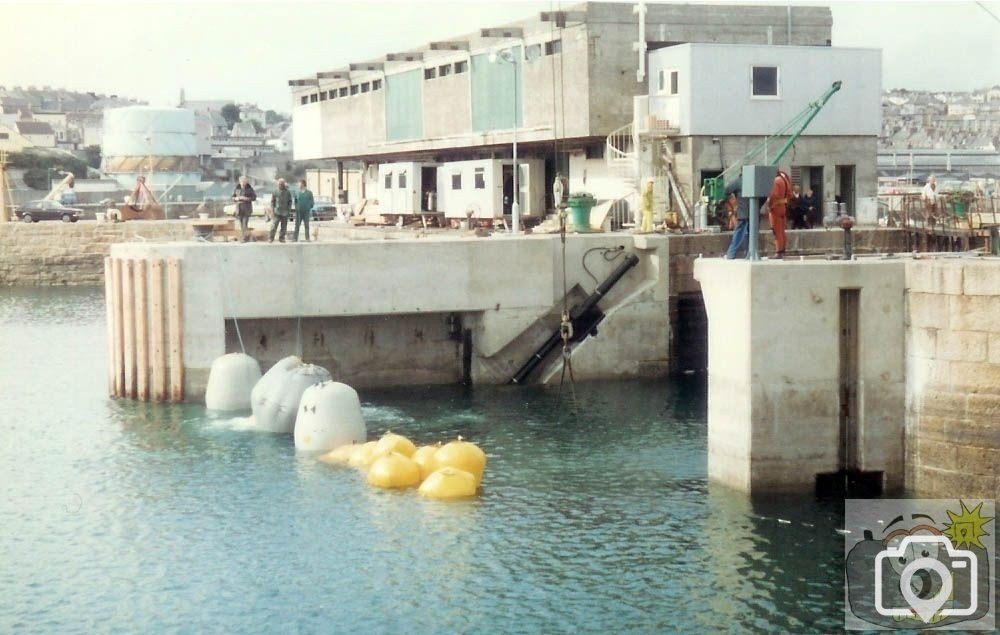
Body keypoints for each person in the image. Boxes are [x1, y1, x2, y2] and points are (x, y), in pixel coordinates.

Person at [764, 168, 792, 259]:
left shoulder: (776, 181)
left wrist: (768, 206)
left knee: (776, 230)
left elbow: (773, 195)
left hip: (775, 207)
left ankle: (779, 251)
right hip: (783, 206)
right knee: (782, 230)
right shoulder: (785, 180)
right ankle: (782, 250)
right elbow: (789, 195)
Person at [724, 178, 750, 259]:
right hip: (754, 213)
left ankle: (731, 254)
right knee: (751, 235)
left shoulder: (738, 181)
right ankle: (749, 254)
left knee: (739, 233)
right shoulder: (756, 180)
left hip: (743, 212)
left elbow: (726, 191)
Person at [232, 175, 257, 242]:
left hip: (247, 209)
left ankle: (244, 238)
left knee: (244, 224)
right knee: (241, 224)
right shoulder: (237, 189)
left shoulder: (250, 189)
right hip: (239, 209)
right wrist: (236, 198)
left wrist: (246, 198)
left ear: (246, 182)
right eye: (242, 182)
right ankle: (245, 236)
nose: (243, 183)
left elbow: (254, 197)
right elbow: (232, 197)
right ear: (240, 182)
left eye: (244, 181)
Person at [269, 178, 293, 242]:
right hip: (277, 212)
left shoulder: (287, 192)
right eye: (279, 184)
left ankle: (281, 238)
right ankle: (271, 238)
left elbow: (290, 201)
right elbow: (272, 202)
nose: (280, 185)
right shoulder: (275, 191)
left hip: (285, 212)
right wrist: (272, 210)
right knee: (273, 226)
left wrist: (289, 209)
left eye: (281, 184)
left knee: (284, 227)